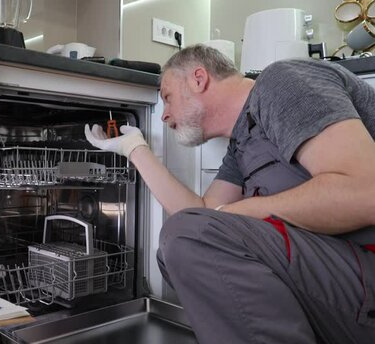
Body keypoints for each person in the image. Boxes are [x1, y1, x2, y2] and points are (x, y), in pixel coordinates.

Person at [85, 44, 375, 344]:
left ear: (198, 79)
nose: (164, 115)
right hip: (342, 284)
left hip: (365, 275)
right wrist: (135, 150)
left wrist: (244, 210)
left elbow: (365, 193)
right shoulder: (241, 145)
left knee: (189, 238)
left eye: (167, 97)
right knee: (174, 254)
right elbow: (199, 214)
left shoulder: (284, 82)